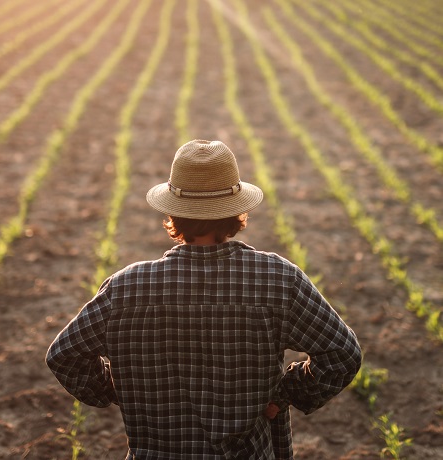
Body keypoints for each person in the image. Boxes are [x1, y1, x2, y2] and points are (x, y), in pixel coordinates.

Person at [46, 139, 362, 459]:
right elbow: (343, 354)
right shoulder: (279, 280)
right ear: (237, 210)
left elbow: (64, 355)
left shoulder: (125, 288)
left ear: (173, 211)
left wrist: (116, 389)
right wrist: (286, 394)